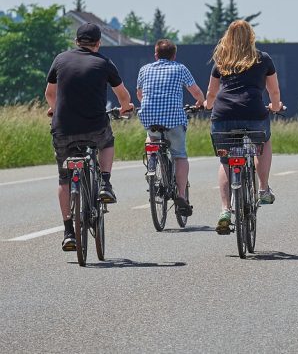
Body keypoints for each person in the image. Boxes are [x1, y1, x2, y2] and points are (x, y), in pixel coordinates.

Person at [45, 23, 134, 251]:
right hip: (95, 127)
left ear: (76, 41)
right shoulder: (104, 63)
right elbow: (123, 95)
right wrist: (126, 107)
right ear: (98, 43)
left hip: (63, 128)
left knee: (64, 178)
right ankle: (104, 182)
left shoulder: (60, 59)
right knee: (107, 142)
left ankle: (68, 232)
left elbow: (49, 93)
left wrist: (55, 109)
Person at [204, 20, 283, 234]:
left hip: (223, 115)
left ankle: (225, 210)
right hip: (253, 112)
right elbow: (274, 92)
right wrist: (275, 107)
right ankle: (263, 189)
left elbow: (211, 94)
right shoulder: (263, 58)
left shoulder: (221, 60)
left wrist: (207, 105)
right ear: (251, 37)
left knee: (226, 160)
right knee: (263, 142)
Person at [136, 39, 205, 216]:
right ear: (174, 55)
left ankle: (151, 162)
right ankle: (181, 195)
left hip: (150, 118)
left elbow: (139, 94)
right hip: (174, 119)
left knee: (151, 137)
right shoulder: (180, 68)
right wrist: (199, 103)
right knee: (179, 156)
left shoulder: (144, 69)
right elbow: (196, 91)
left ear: (155, 54)